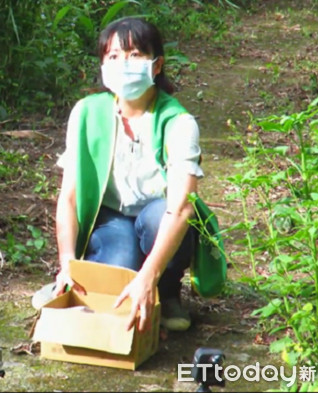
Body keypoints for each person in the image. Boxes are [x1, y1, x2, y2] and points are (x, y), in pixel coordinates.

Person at [32, 17, 203, 333]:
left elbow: (180, 209)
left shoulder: (179, 122)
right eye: (113, 56)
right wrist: (67, 263)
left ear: (156, 65)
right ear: (102, 65)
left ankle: (166, 289)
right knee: (117, 271)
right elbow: (68, 198)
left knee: (156, 221)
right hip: (113, 217)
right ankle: (121, 278)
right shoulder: (87, 112)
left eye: (135, 54)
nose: (123, 64)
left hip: (160, 216)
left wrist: (148, 276)